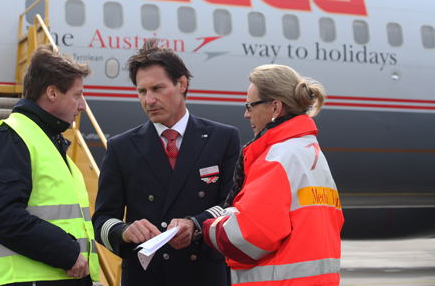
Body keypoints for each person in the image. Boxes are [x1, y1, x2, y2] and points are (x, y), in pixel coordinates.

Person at [92, 38, 241, 286]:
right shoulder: (121, 147)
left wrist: (195, 225)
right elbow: (102, 220)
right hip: (147, 277)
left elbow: (232, 206)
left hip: (203, 275)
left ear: (181, 84)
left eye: (157, 89)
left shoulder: (223, 138)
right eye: (142, 91)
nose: (148, 100)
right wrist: (125, 231)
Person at [202, 64, 344, 286]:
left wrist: (209, 227)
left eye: (250, 105)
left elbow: (249, 238)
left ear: (276, 108)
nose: (246, 113)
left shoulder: (277, 157)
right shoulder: (311, 154)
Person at [0, 44, 99, 286]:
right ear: (52, 93)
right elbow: (1, 216)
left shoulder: (45, 140)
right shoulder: (11, 138)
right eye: (77, 95)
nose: (82, 105)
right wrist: (67, 252)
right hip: (31, 280)